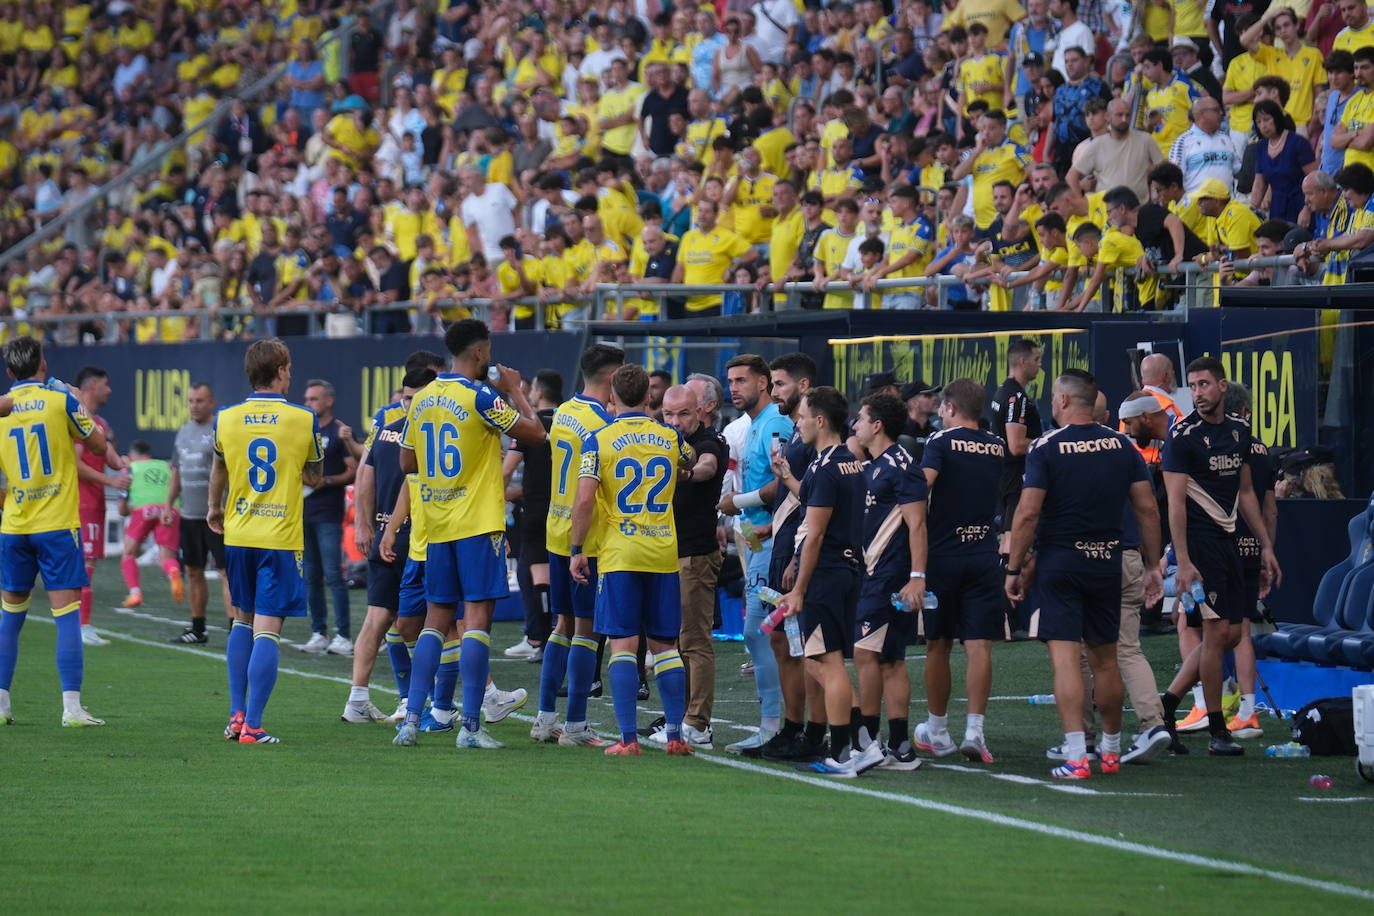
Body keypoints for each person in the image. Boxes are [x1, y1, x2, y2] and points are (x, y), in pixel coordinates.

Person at [394, 319, 546, 749]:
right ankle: (472, 729)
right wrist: (515, 389)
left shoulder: (422, 398)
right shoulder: (480, 396)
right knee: (476, 622)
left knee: (435, 622)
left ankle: (410, 721)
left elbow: (406, 464)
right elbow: (535, 434)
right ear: (480, 353)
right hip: (477, 526)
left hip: (438, 527)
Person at [1004, 369, 1164, 779]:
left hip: (1062, 562)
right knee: (1107, 660)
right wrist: (1151, 565)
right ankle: (1110, 750)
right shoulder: (1122, 446)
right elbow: (1147, 509)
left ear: (1061, 401)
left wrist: (1015, 566)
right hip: (1106, 561)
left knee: (1066, 663)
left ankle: (1078, 753)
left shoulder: (1046, 447)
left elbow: (1027, 512)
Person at [569, 364, 696, 757]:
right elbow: (688, 461)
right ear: (650, 399)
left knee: (623, 646)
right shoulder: (669, 435)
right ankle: (676, 735)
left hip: (621, 553)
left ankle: (627, 740)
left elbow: (586, 497)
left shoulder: (598, 439)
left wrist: (577, 549)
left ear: (611, 399)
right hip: (662, 552)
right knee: (666, 647)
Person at [1158, 357, 1281, 757]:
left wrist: (1265, 546)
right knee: (1214, 636)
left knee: (1228, 634)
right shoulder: (1183, 435)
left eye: (1204, 385)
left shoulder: (1239, 432)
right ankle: (1216, 729)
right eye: (1192, 386)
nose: (1198, 393)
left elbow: (1246, 494)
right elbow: (1174, 505)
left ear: (1223, 387)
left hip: (1228, 540)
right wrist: (1184, 559)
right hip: (1199, 543)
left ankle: (1166, 706)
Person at [209, 338, 324, 745]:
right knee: (268, 630)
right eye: (288, 369)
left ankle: (236, 715)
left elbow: (219, 465)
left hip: (238, 533)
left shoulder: (226, 418)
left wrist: (213, 508)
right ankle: (254, 726)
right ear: (279, 372)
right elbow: (315, 476)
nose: (290, 375)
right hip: (278, 536)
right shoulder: (303, 419)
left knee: (240, 619)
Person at [0, 338, 109, 728]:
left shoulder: (3, 408)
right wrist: (74, 399)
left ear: (10, 372)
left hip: (15, 524)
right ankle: (71, 708)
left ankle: (1, 704)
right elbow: (97, 441)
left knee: (10, 616)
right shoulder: (59, 400)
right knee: (65, 616)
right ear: (43, 364)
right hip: (57, 524)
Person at [779, 386, 881, 777]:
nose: (798, 423)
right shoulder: (851, 462)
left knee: (828, 663)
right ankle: (862, 742)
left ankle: (843, 754)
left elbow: (815, 533)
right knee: (822, 662)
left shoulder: (824, 467)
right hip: (848, 570)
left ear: (820, 420)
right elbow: (815, 503)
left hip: (825, 572)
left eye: (803, 417)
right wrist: (789, 478)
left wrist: (799, 589)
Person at [531, 344, 622, 746]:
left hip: (557, 530)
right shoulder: (604, 422)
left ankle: (544, 718)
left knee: (561, 625)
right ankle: (576, 725)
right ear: (613, 377)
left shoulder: (564, 411)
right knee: (586, 631)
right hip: (588, 538)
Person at [917, 379, 1008, 761]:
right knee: (979, 645)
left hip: (942, 557)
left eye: (941, 408)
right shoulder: (997, 446)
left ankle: (937, 730)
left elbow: (922, 488)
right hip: (984, 555)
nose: (938, 414)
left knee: (938, 645)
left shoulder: (939, 443)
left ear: (952, 409)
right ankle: (976, 731)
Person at [342, 368, 434, 724]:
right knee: (436, 622)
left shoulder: (385, 430)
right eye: (407, 398)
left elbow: (365, 474)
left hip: (383, 534)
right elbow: (408, 484)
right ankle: (430, 703)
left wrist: (366, 525)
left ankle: (358, 699)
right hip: (416, 537)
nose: (409, 403)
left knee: (380, 619)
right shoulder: (431, 432)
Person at [719, 353, 796, 753]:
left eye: (742, 380)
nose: (734, 387)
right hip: (755, 536)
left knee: (760, 629)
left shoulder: (776, 424)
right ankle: (780, 725)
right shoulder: (750, 426)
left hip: (773, 538)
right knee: (766, 632)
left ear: (763, 382)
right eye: (730, 380)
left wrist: (740, 501)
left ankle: (774, 725)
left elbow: (783, 484)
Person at [851, 393, 928, 769]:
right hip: (874, 574)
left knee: (866, 653)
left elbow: (917, 523)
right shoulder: (875, 465)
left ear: (877, 425)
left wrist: (916, 577)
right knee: (890, 659)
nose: (855, 426)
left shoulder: (902, 466)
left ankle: (867, 739)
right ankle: (900, 746)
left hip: (890, 577)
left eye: (861, 419)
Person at [654, 384, 726, 748]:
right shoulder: (661, 437)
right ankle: (678, 717)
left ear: (700, 411)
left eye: (683, 413)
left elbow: (707, 467)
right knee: (675, 641)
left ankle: (698, 723)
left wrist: (686, 472)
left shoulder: (710, 441)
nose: (675, 421)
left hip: (694, 555)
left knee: (695, 642)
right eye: (669, 414)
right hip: (668, 552)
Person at [1222, 382, 1277, 743]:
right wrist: (1265, 550)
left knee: (1196, 625)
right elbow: (1269, 507)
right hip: (1250, 546)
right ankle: (1239, 706)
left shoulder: (1225, 444)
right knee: (1236, 628)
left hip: (1222, 545)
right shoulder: (1263, 450)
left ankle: (1224, 706)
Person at [168, 382, 233, 644]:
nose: (195, 405)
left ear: (212, 402)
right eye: (191, 401)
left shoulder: (220, 429)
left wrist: (224, 506)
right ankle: (198, 628)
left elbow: (229, 470)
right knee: (193, 571)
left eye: (200, 401)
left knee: (226, 572)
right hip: (189, 515)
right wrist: (167, 504)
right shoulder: (183, 432)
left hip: (216, 515)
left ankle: (234, 629)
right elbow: (176, 471)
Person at [503, 369, 560, 662]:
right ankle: (555, 636)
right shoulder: (567, 421)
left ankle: (544, 640)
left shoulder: (530, 426)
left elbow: (506, 470)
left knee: (538, 576)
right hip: (565, 508)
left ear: (538, 392)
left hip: (536, 509)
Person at [299, 379, 357, 656]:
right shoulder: (302, 430)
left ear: (328, 401)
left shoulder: (339, 431)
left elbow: (353, 470)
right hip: (303, 511)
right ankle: (318, 632)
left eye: (314, 399)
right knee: (310, 576)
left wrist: (328, 480)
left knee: (333, 574)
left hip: (328, 512)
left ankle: (343, 635)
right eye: (307, 399)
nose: (308, 403)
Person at [74, 366, 127, 647]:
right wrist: (110, 479)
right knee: (85, 564)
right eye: (105, 385)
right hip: (82, 501)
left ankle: (79, 624)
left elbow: (112, 457)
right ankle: (82, 626)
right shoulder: (78, 419)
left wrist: (127, 465)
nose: (109, 390)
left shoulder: (99, 424)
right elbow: (75, 463)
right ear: (92, 386)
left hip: (93, 503)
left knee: (84, 563)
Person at [990, 339, 1043, 557]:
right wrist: (1048, 441)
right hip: (1015, 479)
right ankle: (1008, 585)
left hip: (1005, 476)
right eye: (1036, 359)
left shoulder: (1003, 390)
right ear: (1022, 361)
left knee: (1008, 537)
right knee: (1012, 540)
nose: (1040, 365)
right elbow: (1016, 445)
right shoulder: (1016, 397)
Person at [116, 440, 181, 609]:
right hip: (170, 509)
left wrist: (130, 509)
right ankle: (173, 571)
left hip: (143, 510)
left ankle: (135, 593)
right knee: (167, 557)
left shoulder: (130, 469)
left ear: (131, 455)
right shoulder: (165, 465)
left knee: (128, 553)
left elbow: (122, 509)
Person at [1067, 99, 1165, 201]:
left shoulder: (1145, 139)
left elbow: (1164, 169)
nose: (1124, 119)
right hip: (1107, 212)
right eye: (1119, 115)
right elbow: (1071, 177)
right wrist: (1080, 202)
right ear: (1107, 116)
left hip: (1139, 210)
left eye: (1127, 115)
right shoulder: (1097, 145)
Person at [1251, 100, 1316, 223]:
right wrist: (1252, 209)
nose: (1263, 126)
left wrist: (1308, 209)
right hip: (1277, 207)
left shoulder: (1298, 143)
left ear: (1277, 118)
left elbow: (1314, 178)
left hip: (1302, 204)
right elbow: (1259, 183)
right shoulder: (1261, 147)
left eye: (1266, 119)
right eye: (1259, 122)